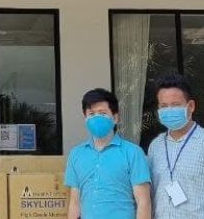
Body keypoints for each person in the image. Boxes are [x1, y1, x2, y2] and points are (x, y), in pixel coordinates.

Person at [147, 74, 204, 219]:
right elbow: (151, 195)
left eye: (175, 105)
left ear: (191, 106)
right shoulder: (155, 146)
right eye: (164, 106)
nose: (169, 110)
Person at [65, 88, 151, 219]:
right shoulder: (76, 154)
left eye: (102, 113)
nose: (96, 118)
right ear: (85, 118)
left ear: (115, 118)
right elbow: (75, 202)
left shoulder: (133, 153)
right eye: (91, 114)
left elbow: (143, 202)